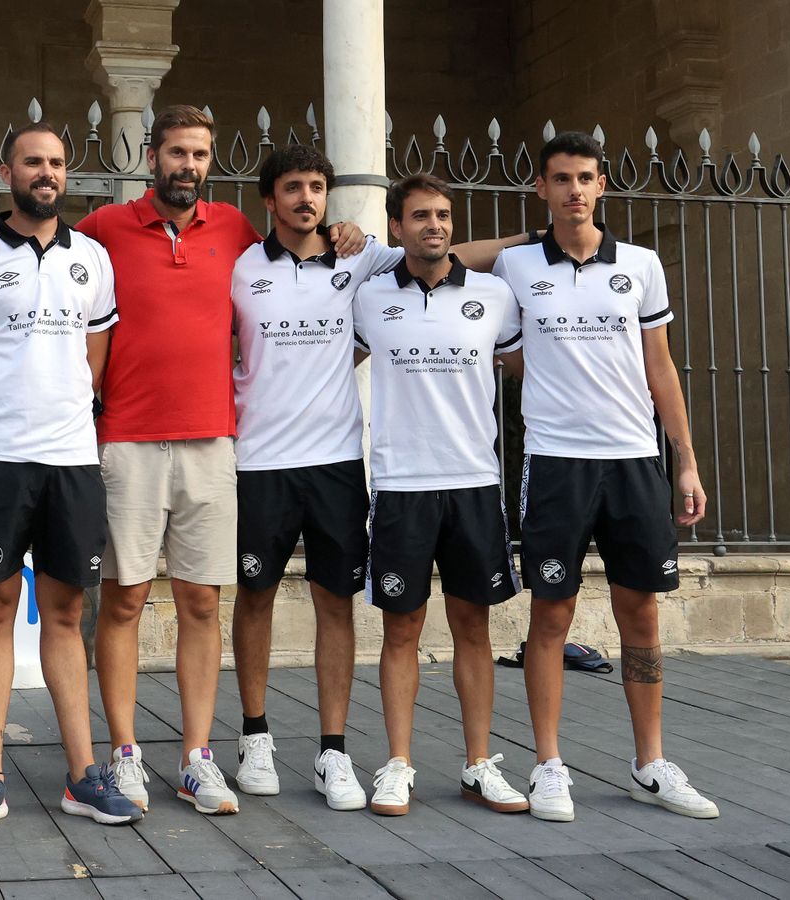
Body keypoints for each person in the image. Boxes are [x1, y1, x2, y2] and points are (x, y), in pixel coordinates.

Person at [0, 105, 365, 815]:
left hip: (213, 442)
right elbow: (40, 252)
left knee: (202, 602)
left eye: (201, 154)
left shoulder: (237, 232)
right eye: (177, 152)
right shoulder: (103, 232)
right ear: (152, 157)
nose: (189, 165)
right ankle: (122, 754)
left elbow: (299, 249)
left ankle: (198, 756)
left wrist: (340, 231)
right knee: (123, 601)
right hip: (125, 444)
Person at [228, 150, 539, 811]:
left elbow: (456, 258)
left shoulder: (360, 263)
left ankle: (337, 751)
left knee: (347, 606)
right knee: (255, 595)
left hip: (349, 463)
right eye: (294, 188)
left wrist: (528, 242)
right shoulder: (248, 266)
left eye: (317, 187)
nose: (307, 197)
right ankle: (256, 738)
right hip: (264, 460)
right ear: (270, 199)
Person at [493, 131, 718, 822]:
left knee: (641, 613)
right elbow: (508, 353)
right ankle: (548, 765)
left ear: (601, 185)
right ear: (541, 188)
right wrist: (557, 386)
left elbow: (661, 367)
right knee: (551, 615)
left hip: (633, 462)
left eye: (585, 178)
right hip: (556, 463)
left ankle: (650, 761)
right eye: (560, 179)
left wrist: (684, 458)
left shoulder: (642, 266)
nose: (574, 190)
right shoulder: (514, 264)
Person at [0, 123, 142, 832]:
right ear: (7, 173)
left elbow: (96, 355)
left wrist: (57, 413)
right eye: (33, 162)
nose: (46, 173)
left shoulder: (93, 257)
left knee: (65, 615)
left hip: (72, 460)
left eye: (56, 163)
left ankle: (84, 776)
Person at [352, 174, 527, 817]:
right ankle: (397, 764)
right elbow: (329, 363)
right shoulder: (368, 297)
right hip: (400, 486)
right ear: (396, 228)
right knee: (401, 630)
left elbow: (529, 370)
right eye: (421, 215)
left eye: (445, 215)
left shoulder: (494, 295)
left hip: (475, 484)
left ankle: (479, 766)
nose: (435, 225)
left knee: (473, 627)